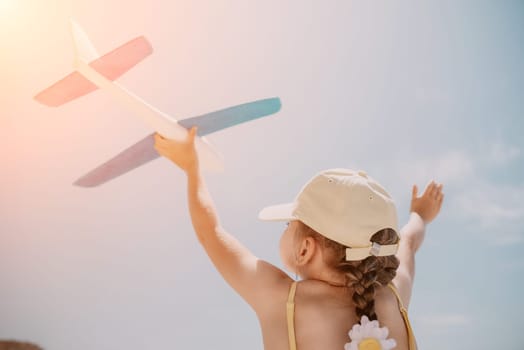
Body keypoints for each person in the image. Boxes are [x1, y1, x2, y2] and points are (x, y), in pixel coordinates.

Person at [153, 127, 444, 350]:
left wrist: (192, 169)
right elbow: (409, 242)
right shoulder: (394, 295)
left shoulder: (281, 298)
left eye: (289, 225)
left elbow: (211, 232)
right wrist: (420, 215)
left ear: (305, 249)